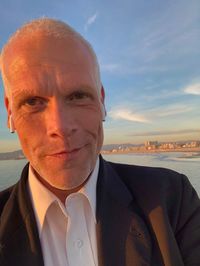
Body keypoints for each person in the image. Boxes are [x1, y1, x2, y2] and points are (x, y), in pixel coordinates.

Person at [0, 18, 199, 266]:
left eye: (78, 96)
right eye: (32, 102)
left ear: (102, 101)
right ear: (10, 114)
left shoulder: (172, 200)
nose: (60, 127)